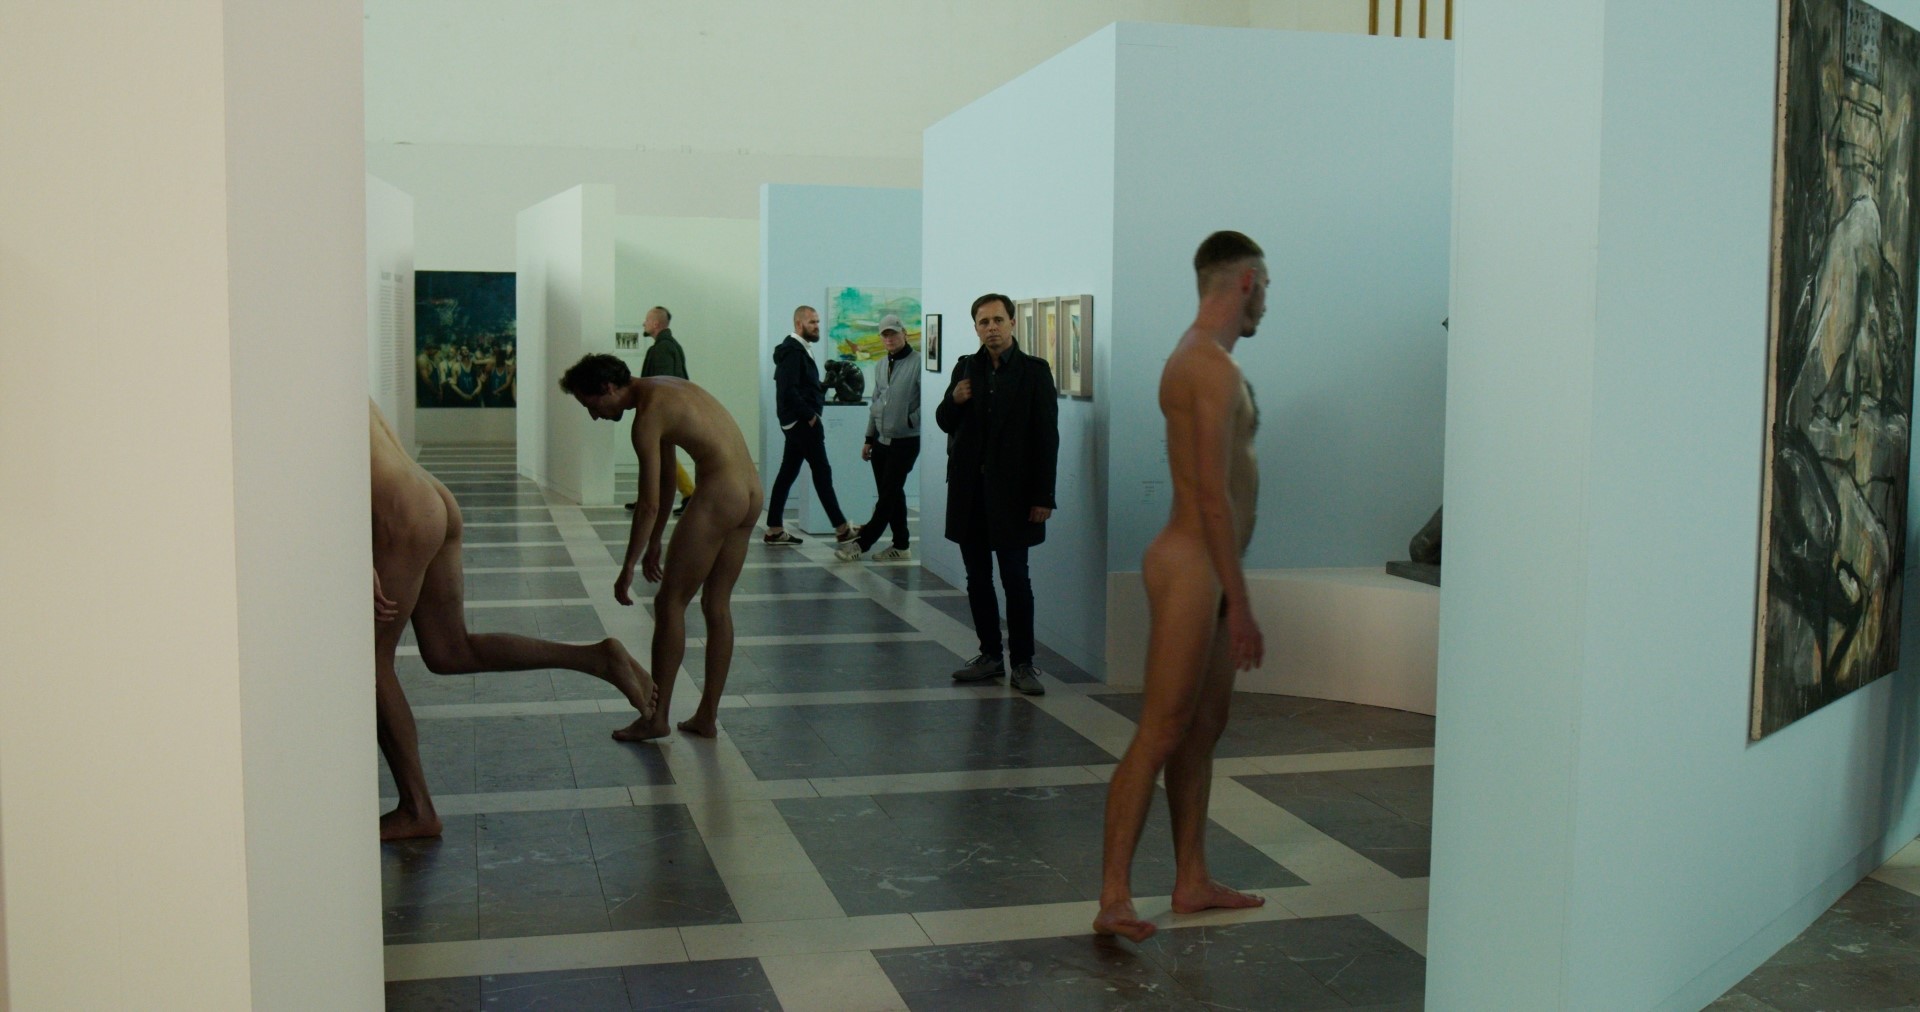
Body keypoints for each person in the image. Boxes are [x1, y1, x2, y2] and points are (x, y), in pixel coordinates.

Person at [1093, 231, 1271, 942]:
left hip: (1211, 568)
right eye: (1266, 288)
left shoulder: (1209, 361)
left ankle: (1191, 878)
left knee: (1201, 730)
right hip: (1193, 566)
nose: (1267, 303)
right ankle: (1113, 896)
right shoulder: (1206, 367)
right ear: (1247, 282)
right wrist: (1241, 603)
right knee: (1162, 729)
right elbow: (1209, 495)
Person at [371, 400, 656, 841]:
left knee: (372, 662)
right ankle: (597, 658)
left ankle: (416, 808)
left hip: (405, 512)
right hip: (430, 496)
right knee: (450, 651)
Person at [560, 354, 761, 740]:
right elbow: (667, 480)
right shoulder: (663, 389)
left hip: (720, 494)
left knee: (669, 604)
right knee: (716, 605)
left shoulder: (647, 418)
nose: (594, 416)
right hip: (751, 492)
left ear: (608, 388)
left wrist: (627, 566)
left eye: (591, 405)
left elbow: (648, 504)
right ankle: (706, 716)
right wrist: (654, 542)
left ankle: (656, 718)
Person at [935, 293, 1058, 696]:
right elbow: (943, 421)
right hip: (970, 494)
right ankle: (989, 654)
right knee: (977, 578)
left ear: (1012, 323)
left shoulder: (1034, 372)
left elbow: (1047, 438)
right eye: (984, 322)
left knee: (1016, 579)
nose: (991, 328)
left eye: (998, 320)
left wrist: (1043, 496)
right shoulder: (965, 368)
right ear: (975, 327)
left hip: (1015, 497)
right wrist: (954, 400)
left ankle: (1023, 662)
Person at [764, 305, 858, 546]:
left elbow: (803, 385)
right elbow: (788, 390)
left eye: (817, 322)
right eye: (812, 322)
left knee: (788, 473)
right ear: (799, 324)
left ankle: (774, 529)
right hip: (802, 422)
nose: (817, 326)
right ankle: (841, 528)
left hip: (796, 421)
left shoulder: (798, 349)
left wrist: (821, 389)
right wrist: (810, 416)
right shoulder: (794, 352)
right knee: (822, 472)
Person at [837, 314, 920, 563]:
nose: (889, 338)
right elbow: (876, 403)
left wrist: (909, 421)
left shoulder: (918, 363)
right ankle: (901, 545)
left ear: (904, 333)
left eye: (893, 333)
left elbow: (928, 400)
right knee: (892, 494)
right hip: (881, 441)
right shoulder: (881, 365)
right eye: (885, 334)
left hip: (905, 440)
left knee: (887, 497)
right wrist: (869, 438)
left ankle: (862, 544)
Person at [626, 305, 696, 516]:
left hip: (662, 414)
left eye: (647, 320)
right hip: (670, 412)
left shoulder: (661, 349)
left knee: (658, 456)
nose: (644, 323)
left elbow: (661, 384)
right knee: (661, 455)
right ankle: (673, 495)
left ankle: (687, 494)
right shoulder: (671, 346)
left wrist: (652, 414)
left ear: (656, 324)